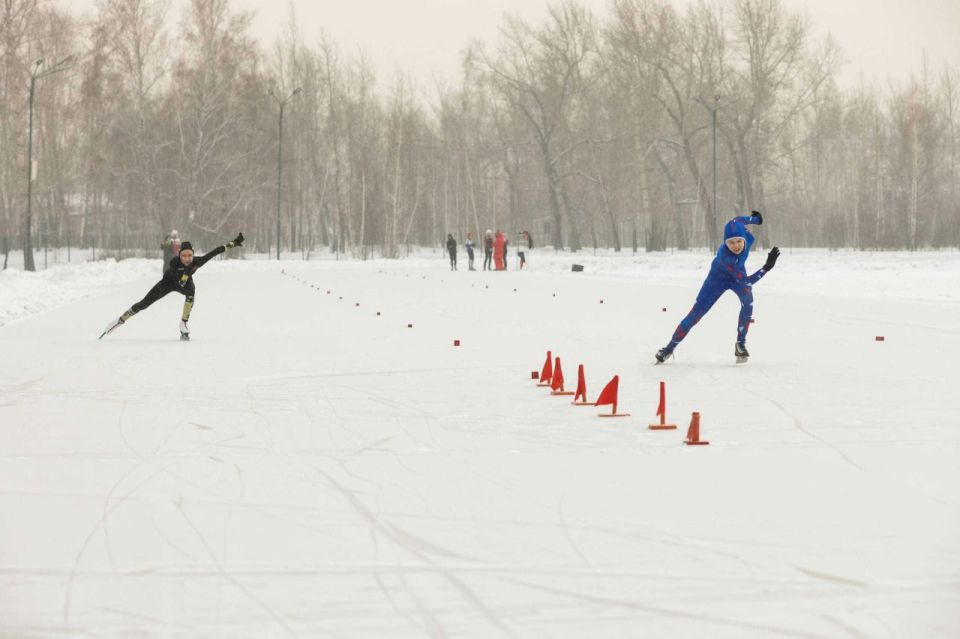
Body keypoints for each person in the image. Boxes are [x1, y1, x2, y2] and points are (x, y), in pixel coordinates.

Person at [655, 213, 779, 363]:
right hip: (717, 279)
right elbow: (747, 282)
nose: (736, 246)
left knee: (748, 302)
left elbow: (740, 219)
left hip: (738, 273)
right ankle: (668, 349)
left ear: (744, 239)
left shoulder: (738, 226)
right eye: (731, 243)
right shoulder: (726, 258)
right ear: (725, 243)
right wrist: (766, 267)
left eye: (739, 241)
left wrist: (757, 219)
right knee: (696, 313)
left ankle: (740, 344)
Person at [100, 232, 245, 341]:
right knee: (144, 303)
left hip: (184, 283)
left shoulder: (197, 261)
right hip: (168, 283)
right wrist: (186, 273)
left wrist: (234, 243)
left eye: (190, 256)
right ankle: (120, 319)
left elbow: (216, 251)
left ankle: (183, 323)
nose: (187, 259)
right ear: (180, 255)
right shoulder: (174, 262)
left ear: (193, 255)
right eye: (184, 256)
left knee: (191, 292)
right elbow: (178, 280)